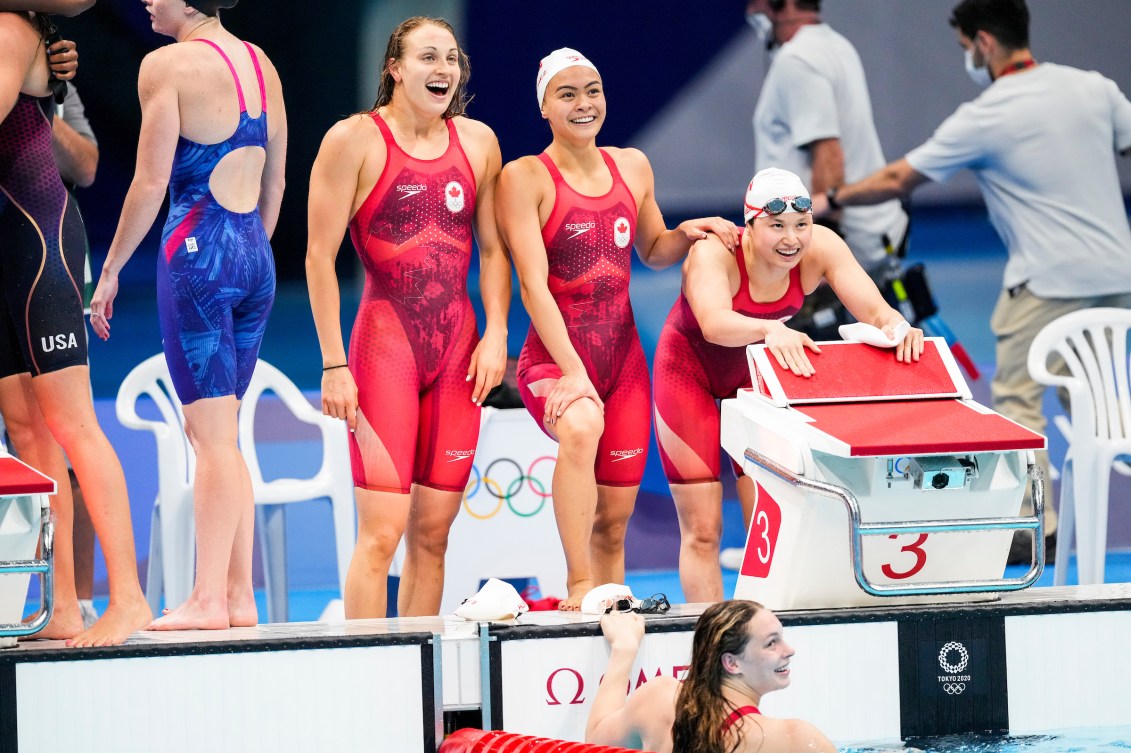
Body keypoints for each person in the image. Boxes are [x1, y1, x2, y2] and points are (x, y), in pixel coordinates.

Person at [824, 0, 1131, 562]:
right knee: (1103, 402)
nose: (968, 57)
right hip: (1120, 277)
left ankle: (1032, 527)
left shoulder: (985, 115)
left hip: (1046, 284)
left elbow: (897, 179)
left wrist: (833, 198)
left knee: (1017, 399)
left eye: (966, 48)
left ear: (984, 43)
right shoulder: (1095, 88)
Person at [496, 48, 737, 611]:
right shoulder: (525, 176)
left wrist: (688, 233)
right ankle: (578, 585)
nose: (584, 104)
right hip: (554, 361)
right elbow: (533, 286)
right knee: (580, 428)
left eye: (593, 90)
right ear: (544, 108)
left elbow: (652, 249)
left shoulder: (632, 165)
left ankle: (608, 609)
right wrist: (574, 373)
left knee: (614, 521)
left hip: (624, 365)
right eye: (568, 94)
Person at [90, 0, 287, 630]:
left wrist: (112, 269)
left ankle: (205, 599)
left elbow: (149, 183)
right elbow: (275, 182)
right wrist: (250, 254)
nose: (146, 0)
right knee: (227, 440)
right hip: (254, 257)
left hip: (199, 258)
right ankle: (237, 596)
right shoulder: (263, 66)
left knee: (210, 440)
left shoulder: (167, 65)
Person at [307, 16, 509, 619]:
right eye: (427, 57)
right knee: (382, 534)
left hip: (459, 353)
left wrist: (496, 333)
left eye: (451, 58)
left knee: (433, 534)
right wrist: (333, 364)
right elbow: (319, 258)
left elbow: (495, 251)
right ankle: (366, 677)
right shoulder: (354, 140)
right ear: (394, 67)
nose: (443, 69)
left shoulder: (479, 144)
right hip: (383, 349)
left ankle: (419, 673)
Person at [653, 167, 922, 602]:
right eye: (776, 226)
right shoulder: (714, 253)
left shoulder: (823, 248)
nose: (791, 239)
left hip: (753, 377)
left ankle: (766, 631)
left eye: (801, 225)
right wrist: (769, 330)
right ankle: (709, 646)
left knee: (767, 520)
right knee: (703, 530)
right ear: (750, 224)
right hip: (688, 373)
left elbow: (874, 309)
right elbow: (713, 323)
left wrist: (899, 327)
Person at [1, 9, 151, 646]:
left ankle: (129, 599)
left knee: (72, 426)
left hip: (42, 250)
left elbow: (81, 161)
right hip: (7, 256)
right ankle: (59, 603)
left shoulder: (9, 29)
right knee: (29, 436)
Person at [745, 0, 908, 283]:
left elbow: (829, 158)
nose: (751, 8)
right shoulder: (836, 45)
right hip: (874, 233)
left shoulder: (797, 60)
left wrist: (818, 255)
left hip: (846, 243)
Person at [586, 601, 837, 753]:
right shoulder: (795, 739)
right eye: (772, 643)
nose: (789, 650)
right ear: (732, 662)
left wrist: (624, 649)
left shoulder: (659, 698)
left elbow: (595, 742)